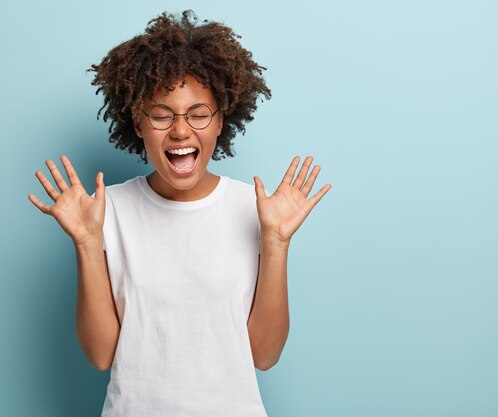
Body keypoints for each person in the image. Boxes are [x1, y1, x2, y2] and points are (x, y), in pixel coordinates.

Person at [28, 10, 332, 417]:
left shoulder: (256, 212)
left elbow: (264, 355)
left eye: (198, 114)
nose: (180, 130)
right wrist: (87, 243)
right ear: (138, 122)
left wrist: (276, 242)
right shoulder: (105, 212)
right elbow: (100, 356)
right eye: (161, 114)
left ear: (221, 120)